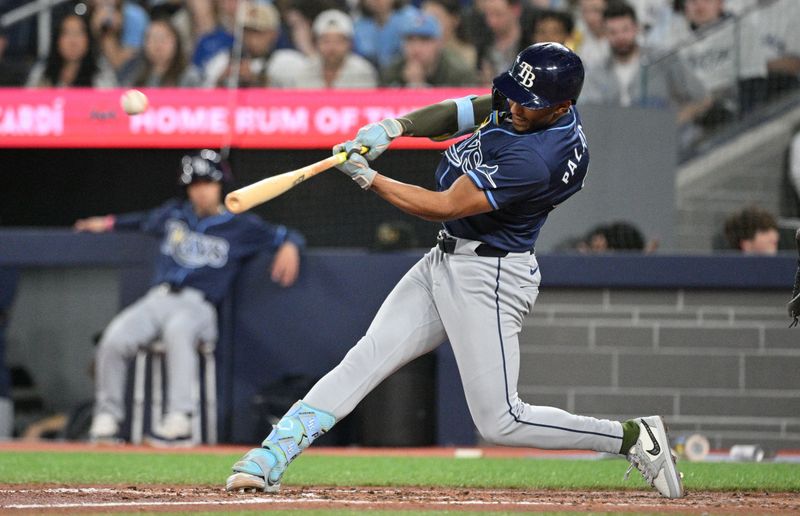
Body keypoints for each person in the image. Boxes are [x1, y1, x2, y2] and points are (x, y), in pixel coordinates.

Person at [226, 43, 684, 500]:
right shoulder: (527, 102)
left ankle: (630, 437)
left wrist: (370, 178)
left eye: (532, 103)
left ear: (562, 106)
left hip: (491, 277)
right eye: (517, 96)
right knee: (366, 358)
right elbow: (460, 111)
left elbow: (442, 205)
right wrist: (394, 127)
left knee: (502, 422)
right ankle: (272, 454)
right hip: (445, 259)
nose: (517, 107)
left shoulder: (538, 158)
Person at [75, 150, 304, 445]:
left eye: (207, 182)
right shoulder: (174, 214)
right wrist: (105, 223)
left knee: (178, 330)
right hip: (157, 299)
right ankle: (106, 419)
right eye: (195, 184)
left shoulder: (240, 225)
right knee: (115, 337)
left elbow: (285, 235)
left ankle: (179, 419)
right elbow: (140, 220)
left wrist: (291, 246)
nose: (201, 190)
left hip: (199, 306)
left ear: (220, 184)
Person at [580, 1, 710, 126]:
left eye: (625, 30)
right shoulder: (597, 74)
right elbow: (591, 118)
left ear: (636, 28)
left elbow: (703, 99)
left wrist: (671, 124)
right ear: (606, 34)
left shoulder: (664, 59)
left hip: (666, 140)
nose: (620, 37)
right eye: (613, 32)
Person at [270, 9, 378, 89]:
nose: (332, 47)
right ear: (316, 43)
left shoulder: (363, 71)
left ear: (350, 44)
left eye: (338, 41)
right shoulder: (303, 71)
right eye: (326, 41)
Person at [381, 10, 477, 87]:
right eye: (410, 40)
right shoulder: (392, 72)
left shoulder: (458, 73)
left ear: (439, 43)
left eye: (424, 40)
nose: (416, 48)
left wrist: (419, 86)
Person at [26, 12, 117, 88]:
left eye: (78, 33)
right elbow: (28, 103)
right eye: (67, 33)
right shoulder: (43, 71)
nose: (73, 41)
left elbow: (110, 103)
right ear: (57, 40)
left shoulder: (101, 72)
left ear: (88, 39)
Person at [121, 18, 200, 87]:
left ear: (176, 42)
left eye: (163, 38)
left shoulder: (189, 75)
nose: (158, 44)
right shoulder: (134, 72)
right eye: (153, 38)